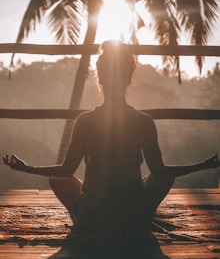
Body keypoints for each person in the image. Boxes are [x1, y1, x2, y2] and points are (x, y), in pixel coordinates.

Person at [3, 41, 220, 237]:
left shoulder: (85, 121)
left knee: (57, 179)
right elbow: (161, 172)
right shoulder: (143, 121)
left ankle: (82, 219)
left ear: (100, 77)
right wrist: (203, 165)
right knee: (164, 177)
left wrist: (26, 168)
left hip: (93, 219)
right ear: (129, 78)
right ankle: (143, 215)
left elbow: (66, 171)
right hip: (133, 218)